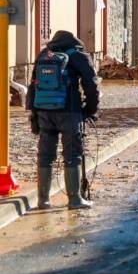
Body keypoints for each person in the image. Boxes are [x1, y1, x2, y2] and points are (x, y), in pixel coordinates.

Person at [27, 30, 100, 209]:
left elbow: (33, 85)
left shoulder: (44, 54)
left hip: (44, 112)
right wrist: (90, 111)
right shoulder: (79, 55)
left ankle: (43, 200)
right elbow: (91, 85)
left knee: (45, 155)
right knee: (72, 154)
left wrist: (34, 115)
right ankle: (74, 200)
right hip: (70, 112)